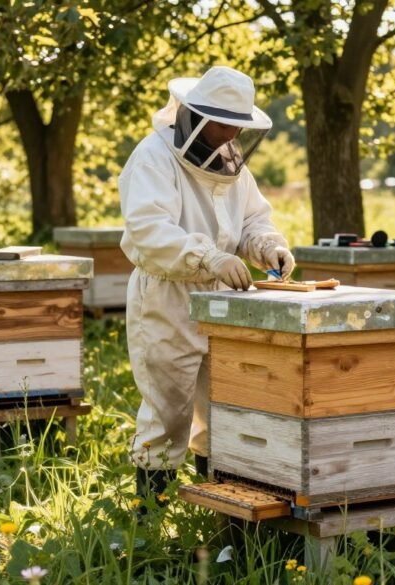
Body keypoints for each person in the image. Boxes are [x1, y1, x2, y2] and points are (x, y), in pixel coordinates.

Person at [119, 66, 295, 500]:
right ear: (193, 115)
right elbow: (147, 230)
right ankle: (148, 512)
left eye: (237, 124)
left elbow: (253, 218)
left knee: (224, 406)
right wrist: (208, 258)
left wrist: (267, 245)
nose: (230, 132)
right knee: (168, 410)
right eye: (222, 123)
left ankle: (218, 506)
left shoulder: (233, 163)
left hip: (223, 302)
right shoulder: (153, 157)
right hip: (168, 299)